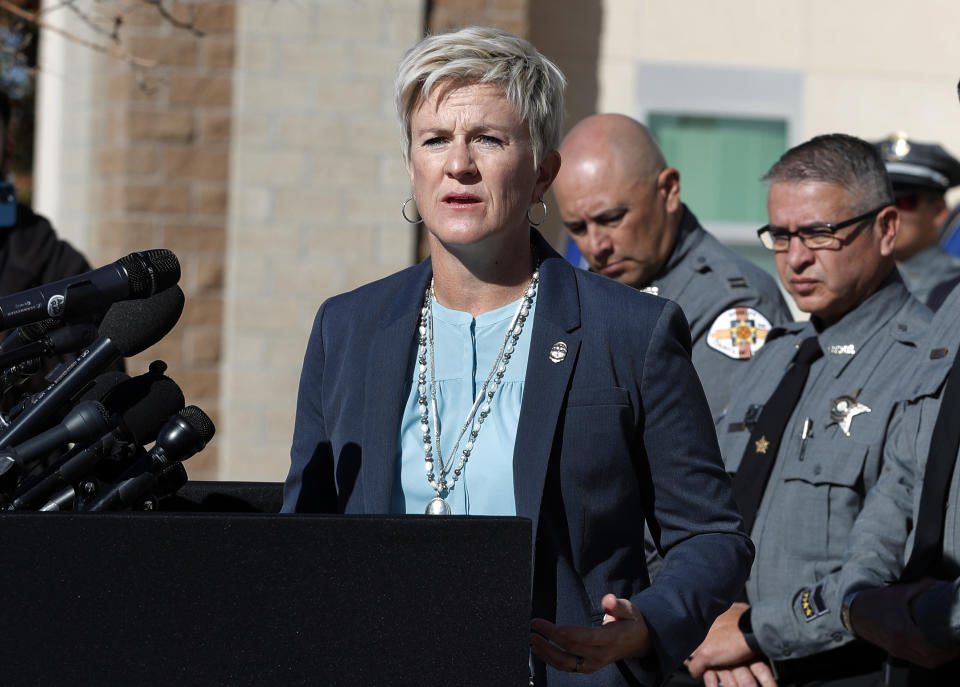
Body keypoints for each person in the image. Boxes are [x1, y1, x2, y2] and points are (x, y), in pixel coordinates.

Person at [282, 26, 753, 687]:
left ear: (543, 173)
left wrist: (642, 625)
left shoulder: (631, 331)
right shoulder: (349, 328)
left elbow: (711, 535)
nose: (459, 164)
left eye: (490, 139)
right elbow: (304, 537)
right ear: (411, 163)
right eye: (435, 139)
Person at [685, 134, 932, 687]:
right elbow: (706, 511)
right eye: (780, 236)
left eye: (820, 233)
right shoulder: (774, 356)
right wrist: (708, 624)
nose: (795, 258)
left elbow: (887, 568)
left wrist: (753, 633)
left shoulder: (925, 370)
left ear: (886, 228)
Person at [553, 114, 791, 420]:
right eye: (578, 228)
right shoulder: (581, 294)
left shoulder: (733, 305)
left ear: (668, 190)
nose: (597, 246)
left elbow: (714, 455)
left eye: (611, 218)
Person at [828, 284, 960, 686]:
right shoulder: (953, 305)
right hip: (909, 656)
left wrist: (922, 614)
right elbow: (903, 474)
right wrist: (859, 594)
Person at [874, 132, 960, 308]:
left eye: (903, 201)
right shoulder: (857, 282)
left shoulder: (954, 290)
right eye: (879, 201)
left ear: (939, 211)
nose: (887, 213)